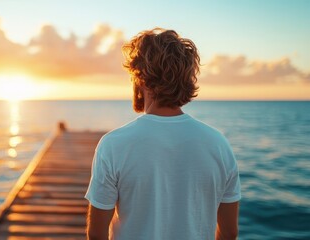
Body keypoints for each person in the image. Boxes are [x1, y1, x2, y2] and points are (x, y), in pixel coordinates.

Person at [85, 28, 241, 240]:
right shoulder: (219, 145)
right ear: (187, 79)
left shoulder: (113, 145)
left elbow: (96, 234)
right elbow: (229, 232)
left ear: (140, 78)